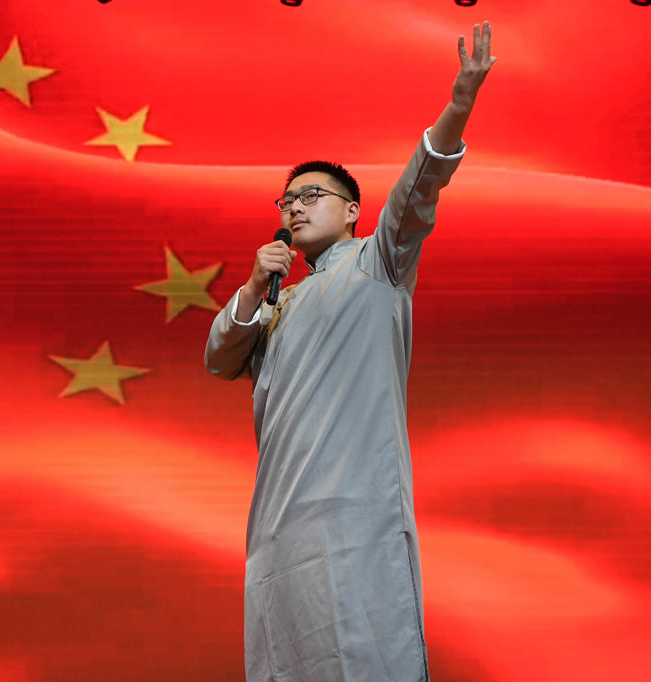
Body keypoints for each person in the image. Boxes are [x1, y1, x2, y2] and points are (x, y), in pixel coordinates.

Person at [204, 23, 496, 682]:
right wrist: (251, 286)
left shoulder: (376, 265)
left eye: (313, 196)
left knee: (366, 656)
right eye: (288, 200)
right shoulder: (274, 303)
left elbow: (420, 188)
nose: (297, 208)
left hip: (354, 514)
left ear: (354, 211)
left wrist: (460, 102)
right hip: (278, 523)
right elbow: (219, 359)